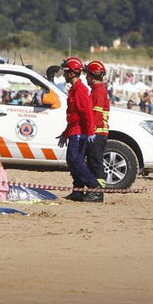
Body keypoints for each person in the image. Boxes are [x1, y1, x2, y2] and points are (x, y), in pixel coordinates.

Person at [58, 57, 102, 203]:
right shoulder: (74, 90)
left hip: (80, 132)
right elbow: (73, 115)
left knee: (75, 161)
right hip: (74, 131)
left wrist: (90, 132)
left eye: (65, 72)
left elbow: (87, 112)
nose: (63, 75)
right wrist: (65, 133)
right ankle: (77, 190)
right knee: (74, 161)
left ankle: (94, 188)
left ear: (71, 73)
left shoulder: (80, 90)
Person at [85, 60, 110, 188]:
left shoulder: (98, 92)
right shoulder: (98, 90)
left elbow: (96, 115)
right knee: (92, 163)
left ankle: (97, 192)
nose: (85, 78)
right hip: (98, 132)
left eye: (87, 75)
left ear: (91, 76)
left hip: (97, 133)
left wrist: (89, 131)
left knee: (96, 163)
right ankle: (94, 190)